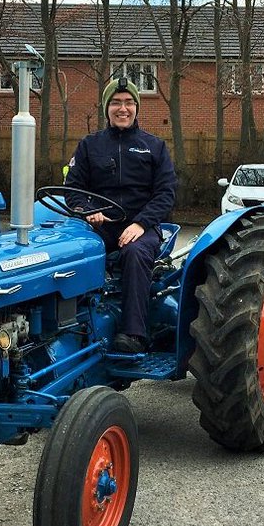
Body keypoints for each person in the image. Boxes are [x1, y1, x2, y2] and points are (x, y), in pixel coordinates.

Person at [64, 75, 177, 354]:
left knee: (134, 253)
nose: (122, 108)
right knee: (68, 251)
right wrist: (88, 211)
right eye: (116, 102)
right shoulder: (90, 145)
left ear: (137, 108)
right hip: (100, 223)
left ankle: (134, 333)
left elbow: (166, 194)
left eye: (128, 102)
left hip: (141, 226)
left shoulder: (154, 147)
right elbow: (73, 189)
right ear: (107, 108)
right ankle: (72, 326)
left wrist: (141, 223)